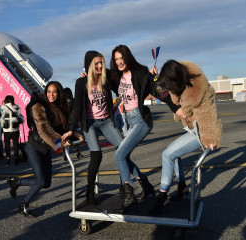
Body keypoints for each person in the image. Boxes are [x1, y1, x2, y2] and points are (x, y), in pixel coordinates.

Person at [61, 51, 145, 206]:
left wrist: (146, 74)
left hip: (106, 121)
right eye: (96, 63)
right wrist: (71, 129)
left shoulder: (106, 76)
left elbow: (123, 82)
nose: (100, 66)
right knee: (97, 155)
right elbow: (78, 107)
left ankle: (131, 187)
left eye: (101, 62)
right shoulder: (81, 82)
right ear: (89, 65)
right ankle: (90, 192)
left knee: (123, 151)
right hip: (90, 123)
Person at [109, 45, 181, 212]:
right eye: (116, 59)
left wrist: (175, 108)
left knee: (119, 154)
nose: (119, 62)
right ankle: (146, 185)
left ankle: (129, 195)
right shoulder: (117, 77)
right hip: (128, 120)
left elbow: (159, 91)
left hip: (141, 120)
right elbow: (98, 74)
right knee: (124, 157)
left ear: (127, 58)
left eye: (122, 58)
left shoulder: (140, 74)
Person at [148, 60, 222, 215]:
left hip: (202, 132)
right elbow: (161, 90)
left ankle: (162, 196)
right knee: (172, 153)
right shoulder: (180, 80)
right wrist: (155, 77)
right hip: (193, 129)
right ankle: (182, 187)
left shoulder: (199, 88)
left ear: (175, 80)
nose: (169, 89)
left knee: (167, 154)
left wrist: (211, 138)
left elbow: (209, 113)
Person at [7, 81, 83, 217]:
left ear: (59, 93)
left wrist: (74, 135)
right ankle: (24, 204)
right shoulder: (39, 106)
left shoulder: (59, 107)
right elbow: (44, 129)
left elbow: (62, 129)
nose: (51, 95)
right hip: (34, 147)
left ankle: (16, 182)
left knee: (46, 183)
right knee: (41, 181)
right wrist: (61, 142)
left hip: (46, 148)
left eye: (54, 92)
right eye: (49, 92)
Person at [0, 95, 24, 165]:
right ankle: (16, 159)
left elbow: (1, 118)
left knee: (7, 145)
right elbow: (20, 117)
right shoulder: (16, 107)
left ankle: (8, 159)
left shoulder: (3, 107)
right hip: (15, 129)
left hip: (6, 130)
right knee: (15, 144)